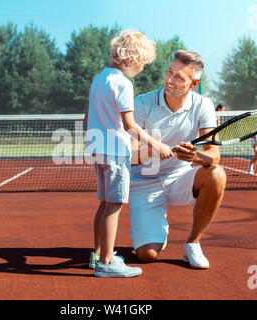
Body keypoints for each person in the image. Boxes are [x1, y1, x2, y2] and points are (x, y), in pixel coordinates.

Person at [84, 30, 173, 277]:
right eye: (142, 63)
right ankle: (106, 263)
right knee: (114, 205)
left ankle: (98, 256)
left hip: (99, 151)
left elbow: (87, 118)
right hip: (115, 154)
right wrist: (158, 147)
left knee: (104, 205)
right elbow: (130, 125)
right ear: (132, 58)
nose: (142, 68)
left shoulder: (99, 79)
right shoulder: (123, 83)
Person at [129, 50, 226, 269]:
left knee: (216, 173)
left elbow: (214, 154)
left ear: (194, 83)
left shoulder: (204, 105)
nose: (170, 80)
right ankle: (154, 232)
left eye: (179, 77)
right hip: (145, 182)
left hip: (180, 178)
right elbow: (128, 155)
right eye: (170, 72)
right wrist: (153, 151)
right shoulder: (143, 103)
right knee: (147, 255)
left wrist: (197, 156)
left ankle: (193, 243)